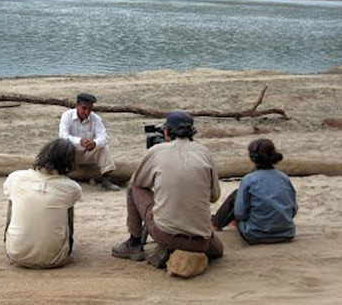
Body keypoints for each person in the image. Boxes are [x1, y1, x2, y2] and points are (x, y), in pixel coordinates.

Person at [111, 111, 224, 268]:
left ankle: (134, 243)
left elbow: (138, 181)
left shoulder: (157, 151)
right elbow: (214, 196)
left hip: (166, 235)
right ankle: (178, 251)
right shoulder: (205, 153)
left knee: (133, 186)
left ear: (166, 132)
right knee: (218, 250)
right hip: (201, 240)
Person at [3, 138, 82, 268]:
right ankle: (63, 244)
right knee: (67, 205)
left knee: (14, 199)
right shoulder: (71, 187)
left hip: (16, 254)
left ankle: (13, 240)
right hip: (56, 258)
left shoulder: (15, 178)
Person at [212, 138, 298, 244]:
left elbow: (240, 213)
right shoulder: (284, 177)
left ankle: (215, 224)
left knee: (236, 195)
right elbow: (293, 210)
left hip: (255, 234)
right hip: (286, 233)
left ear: (252, 158)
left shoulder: (249, 179)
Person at [59, 92, 120, 191]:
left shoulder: (95, 118)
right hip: (71, 154)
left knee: (103, 147)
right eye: (84, 108)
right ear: (77, 106)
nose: (87, 112)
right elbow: (63, 136)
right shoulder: (67, 116)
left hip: (88, 153)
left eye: (90, 109)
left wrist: (95, 143)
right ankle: (64, 177)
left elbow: (104, 137)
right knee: (61, 146)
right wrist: (80, 141)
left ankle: (106, 178)